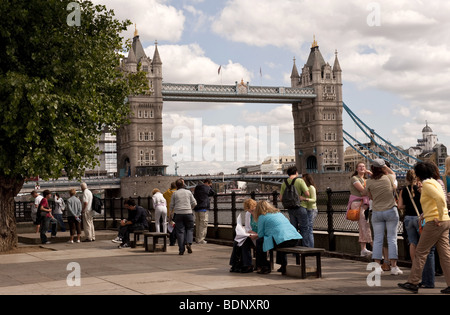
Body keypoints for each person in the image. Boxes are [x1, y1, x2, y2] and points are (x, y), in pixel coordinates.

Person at [399, 162, 450, 294]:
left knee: (421, 252)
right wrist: (424, 214)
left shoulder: (427, 184)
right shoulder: (435, 182)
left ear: (419, 174)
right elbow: (438, 200)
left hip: (435, 222)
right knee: (445, 255)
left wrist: (437, 215)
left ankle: (413, 282)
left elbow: (440, 199)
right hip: (444, 221)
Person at [398, 170, 435, 288]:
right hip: (420, 218)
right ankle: (422, 268)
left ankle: (415, 267)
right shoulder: (421, 189)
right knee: (424, 245)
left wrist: (407, 205)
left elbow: (400, 206)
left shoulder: (403, 190)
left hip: (408, 218)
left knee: (412, 243)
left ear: (407, 178)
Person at [366, 159, 403, 276]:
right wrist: (385, 167)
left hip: (377, 212)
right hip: (390, 210)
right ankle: (394, 267)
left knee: (377, 240)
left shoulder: (369, 182)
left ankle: (377, 267)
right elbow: (394, 174)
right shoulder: (389, 178)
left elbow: (370, 196)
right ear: (383, 168)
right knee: (392, 239)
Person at [254, 200, 302, 275]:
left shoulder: (262, 216)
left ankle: (264, 266)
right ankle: (283, 265)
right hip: (295, 238)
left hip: (283, 240)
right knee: (279, 240)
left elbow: (260, 234)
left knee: (260, 242)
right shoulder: (278, 213)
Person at [348, 162, 373, 257]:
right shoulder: (354, 179)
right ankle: (375, 248)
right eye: (360, 166)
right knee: (366, 226)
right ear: (356, 169)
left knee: (363, 226)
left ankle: (363, 250)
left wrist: (370, 174)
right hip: (358, 204)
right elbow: (363, 191)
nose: (362, 168)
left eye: (363, 166)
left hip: (365, 204)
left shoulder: (366, 179)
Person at [280, 166, 309, 245]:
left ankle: (294, 250)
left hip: (290, 209)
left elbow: (281, 198)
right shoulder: (300, 181)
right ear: (296, 172)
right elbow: (307, 193)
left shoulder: (284, 183)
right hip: (300, 206)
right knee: (304, 228)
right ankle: (305, 248)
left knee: (293, 229)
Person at [229, 199, 259, 273]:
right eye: (249, 211)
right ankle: (235, 264)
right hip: (252, 234)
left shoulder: (261, 215)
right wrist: (251, 233)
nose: (251, 212)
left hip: (259, 236)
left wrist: (255, 234)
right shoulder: (248, 214)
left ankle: (247, 265)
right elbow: (248, 228)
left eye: (252, 210)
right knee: (238, 241)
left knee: (244, 242)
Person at [169, 178, 197, 255]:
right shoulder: (188, 192)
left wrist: (170, 215)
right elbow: (194, 203)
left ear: (176, 186)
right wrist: (190, 208)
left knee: (180, 231)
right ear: (183, 184)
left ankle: (181, 249)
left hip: (178, 214)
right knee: (190, 229)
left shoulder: (175, 193)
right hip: (188, 213)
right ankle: (189, 243)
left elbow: (171, 206)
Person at [299, 173, 319, 248]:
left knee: (309, 229)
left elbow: (314, 200)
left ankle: (311, 248)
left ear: (306, 179)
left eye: (303, 178)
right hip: (307, 209)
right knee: (307, 229)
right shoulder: (305, 188)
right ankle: (308, 247)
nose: (301, 180)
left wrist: (304, 199)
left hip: (312, 209)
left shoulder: (311, 188)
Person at [193, 179, 215, 244]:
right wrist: (210, 187)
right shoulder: (207, 187)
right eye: (210, 184)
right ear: (208, 183)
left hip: (197, 208)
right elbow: (213, 192)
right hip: (204, 208)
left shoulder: (197, 187)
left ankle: (197, 238)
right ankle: (201, 239)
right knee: (203, 224)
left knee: (198, 224)